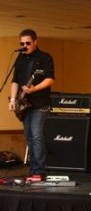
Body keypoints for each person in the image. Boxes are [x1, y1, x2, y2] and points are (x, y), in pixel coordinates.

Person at [8, 29, 55, 181]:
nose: (25, 46)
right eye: (22, 43)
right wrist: (13, 100)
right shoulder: (20, 59)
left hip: (40, 103)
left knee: (36, 136)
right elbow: (15, 81)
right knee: (29, 137)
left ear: (35, 42)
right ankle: (33, 170)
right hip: (24, 104)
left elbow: (50, 79)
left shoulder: (45, 57)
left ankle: (39, 172)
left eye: (28, 43)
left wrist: (34, 88)